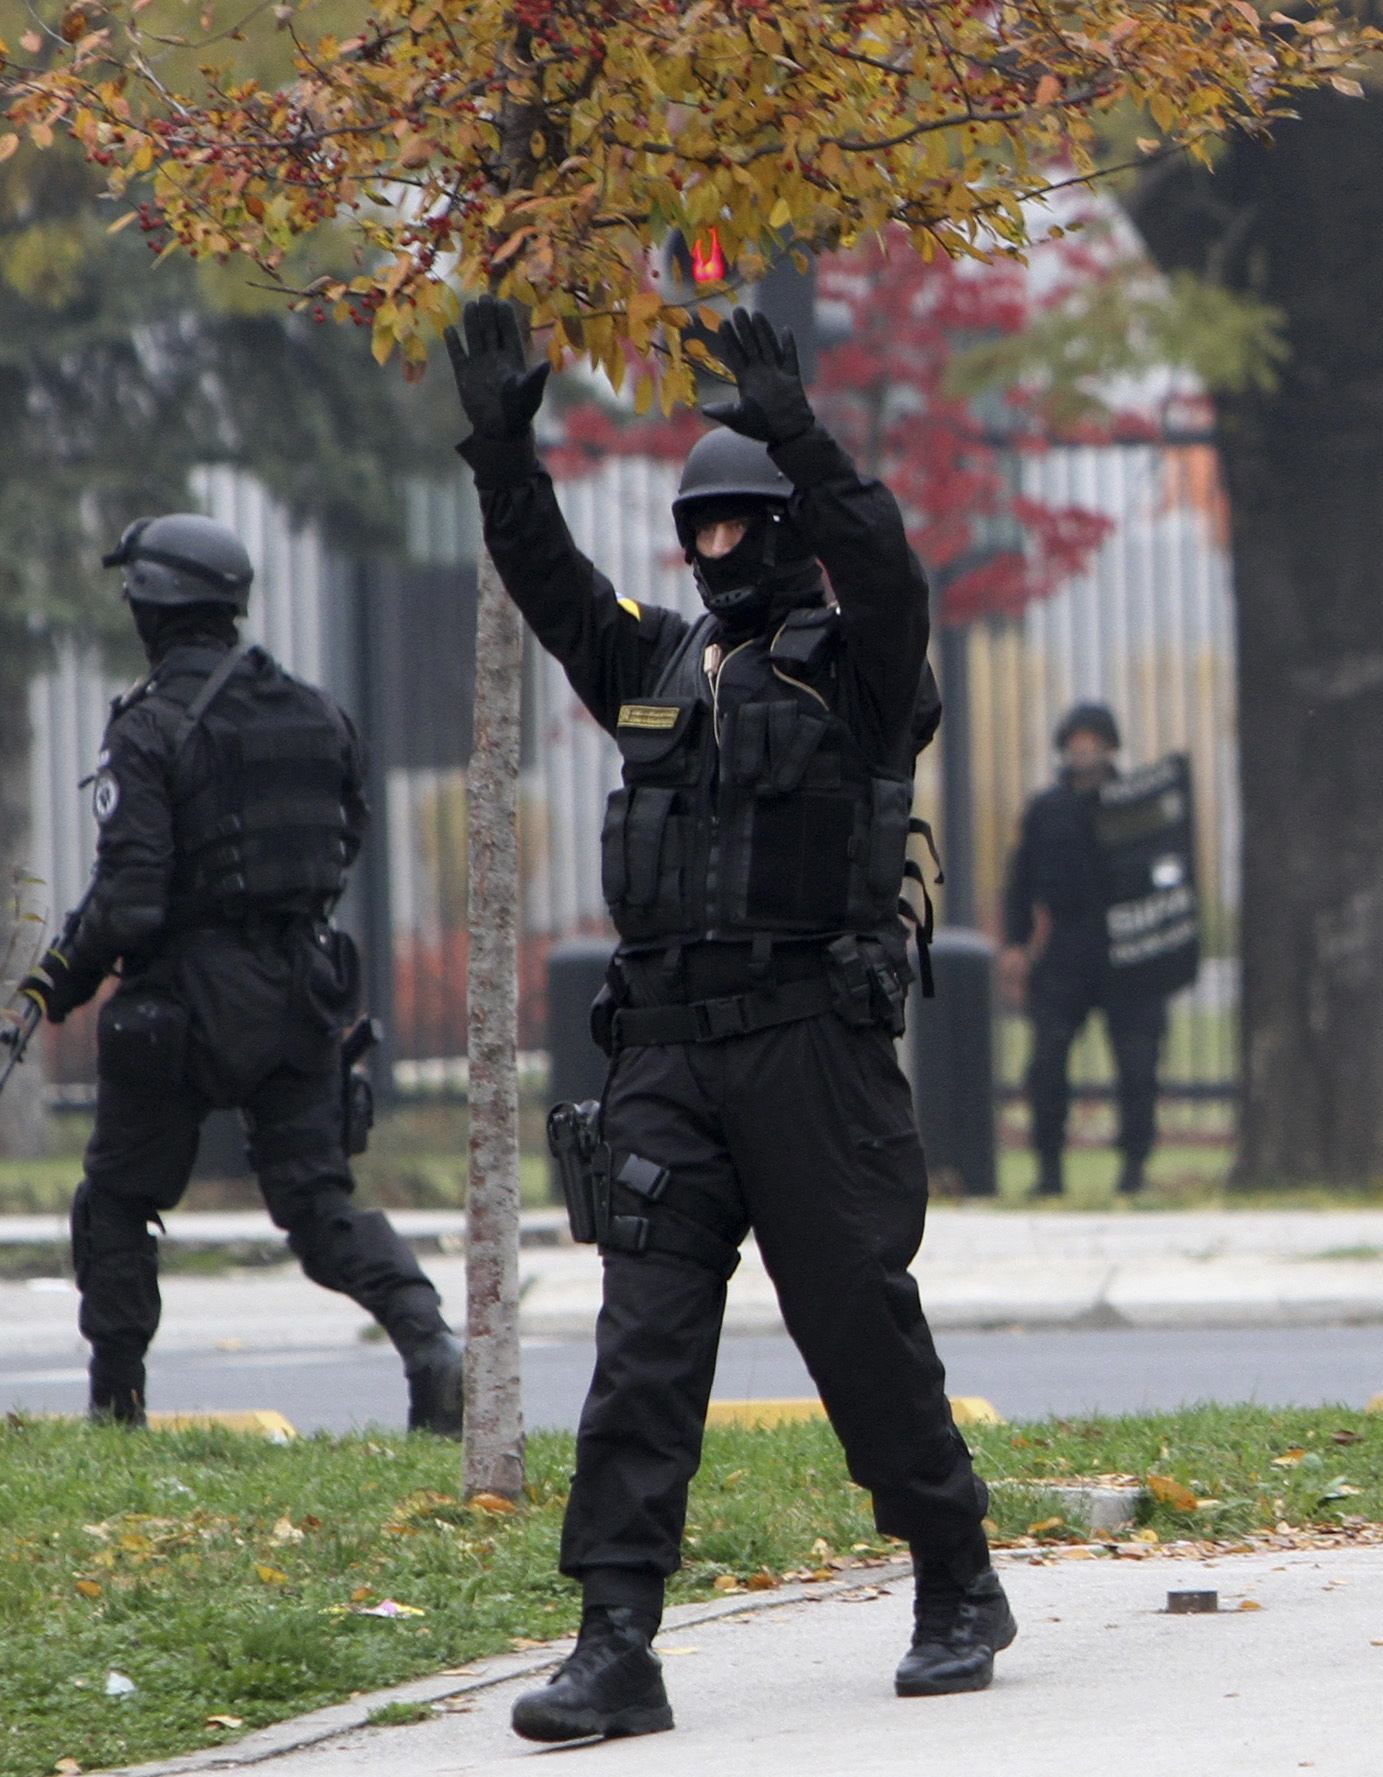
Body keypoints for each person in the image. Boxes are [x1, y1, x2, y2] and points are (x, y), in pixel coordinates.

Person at [441, 297, 1007, 1737]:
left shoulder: (862, 664)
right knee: (642, 1348)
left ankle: (955, 1576)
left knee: (857, 1328)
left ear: (785, 527)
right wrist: (504, 457)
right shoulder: (659, 660)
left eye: (739, 522)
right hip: (667, 1057)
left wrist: (801, 435)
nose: (714, 547)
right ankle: (616, 1639)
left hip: (811, 1050)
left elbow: (886, 565)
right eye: (698, 528)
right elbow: (554, 587)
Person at [17, 516, 460, 1435]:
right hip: (301, 991)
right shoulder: (316, 711)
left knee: (117, 1201)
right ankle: (431, 1345)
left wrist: (56, 981)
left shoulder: (149, 727)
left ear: (150, 606)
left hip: (183, 1003)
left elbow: (129, 900)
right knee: (318, 1203)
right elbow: (347, 838)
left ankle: (117, 1408)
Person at [1002, 704, 1168, 1199]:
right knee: (1047, 1061)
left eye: (1093, 738)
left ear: (1110, 745)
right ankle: (1049, 1172)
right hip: (1067, 946)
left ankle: (1134, 1170)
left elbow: (1166, 872)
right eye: (1076, 738)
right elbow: (1021, 880)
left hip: (1130, 944)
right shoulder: (1046, 809)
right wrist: (1015, 942)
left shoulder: (1138, 803)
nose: (1084, 747)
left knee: (1138, 1063)